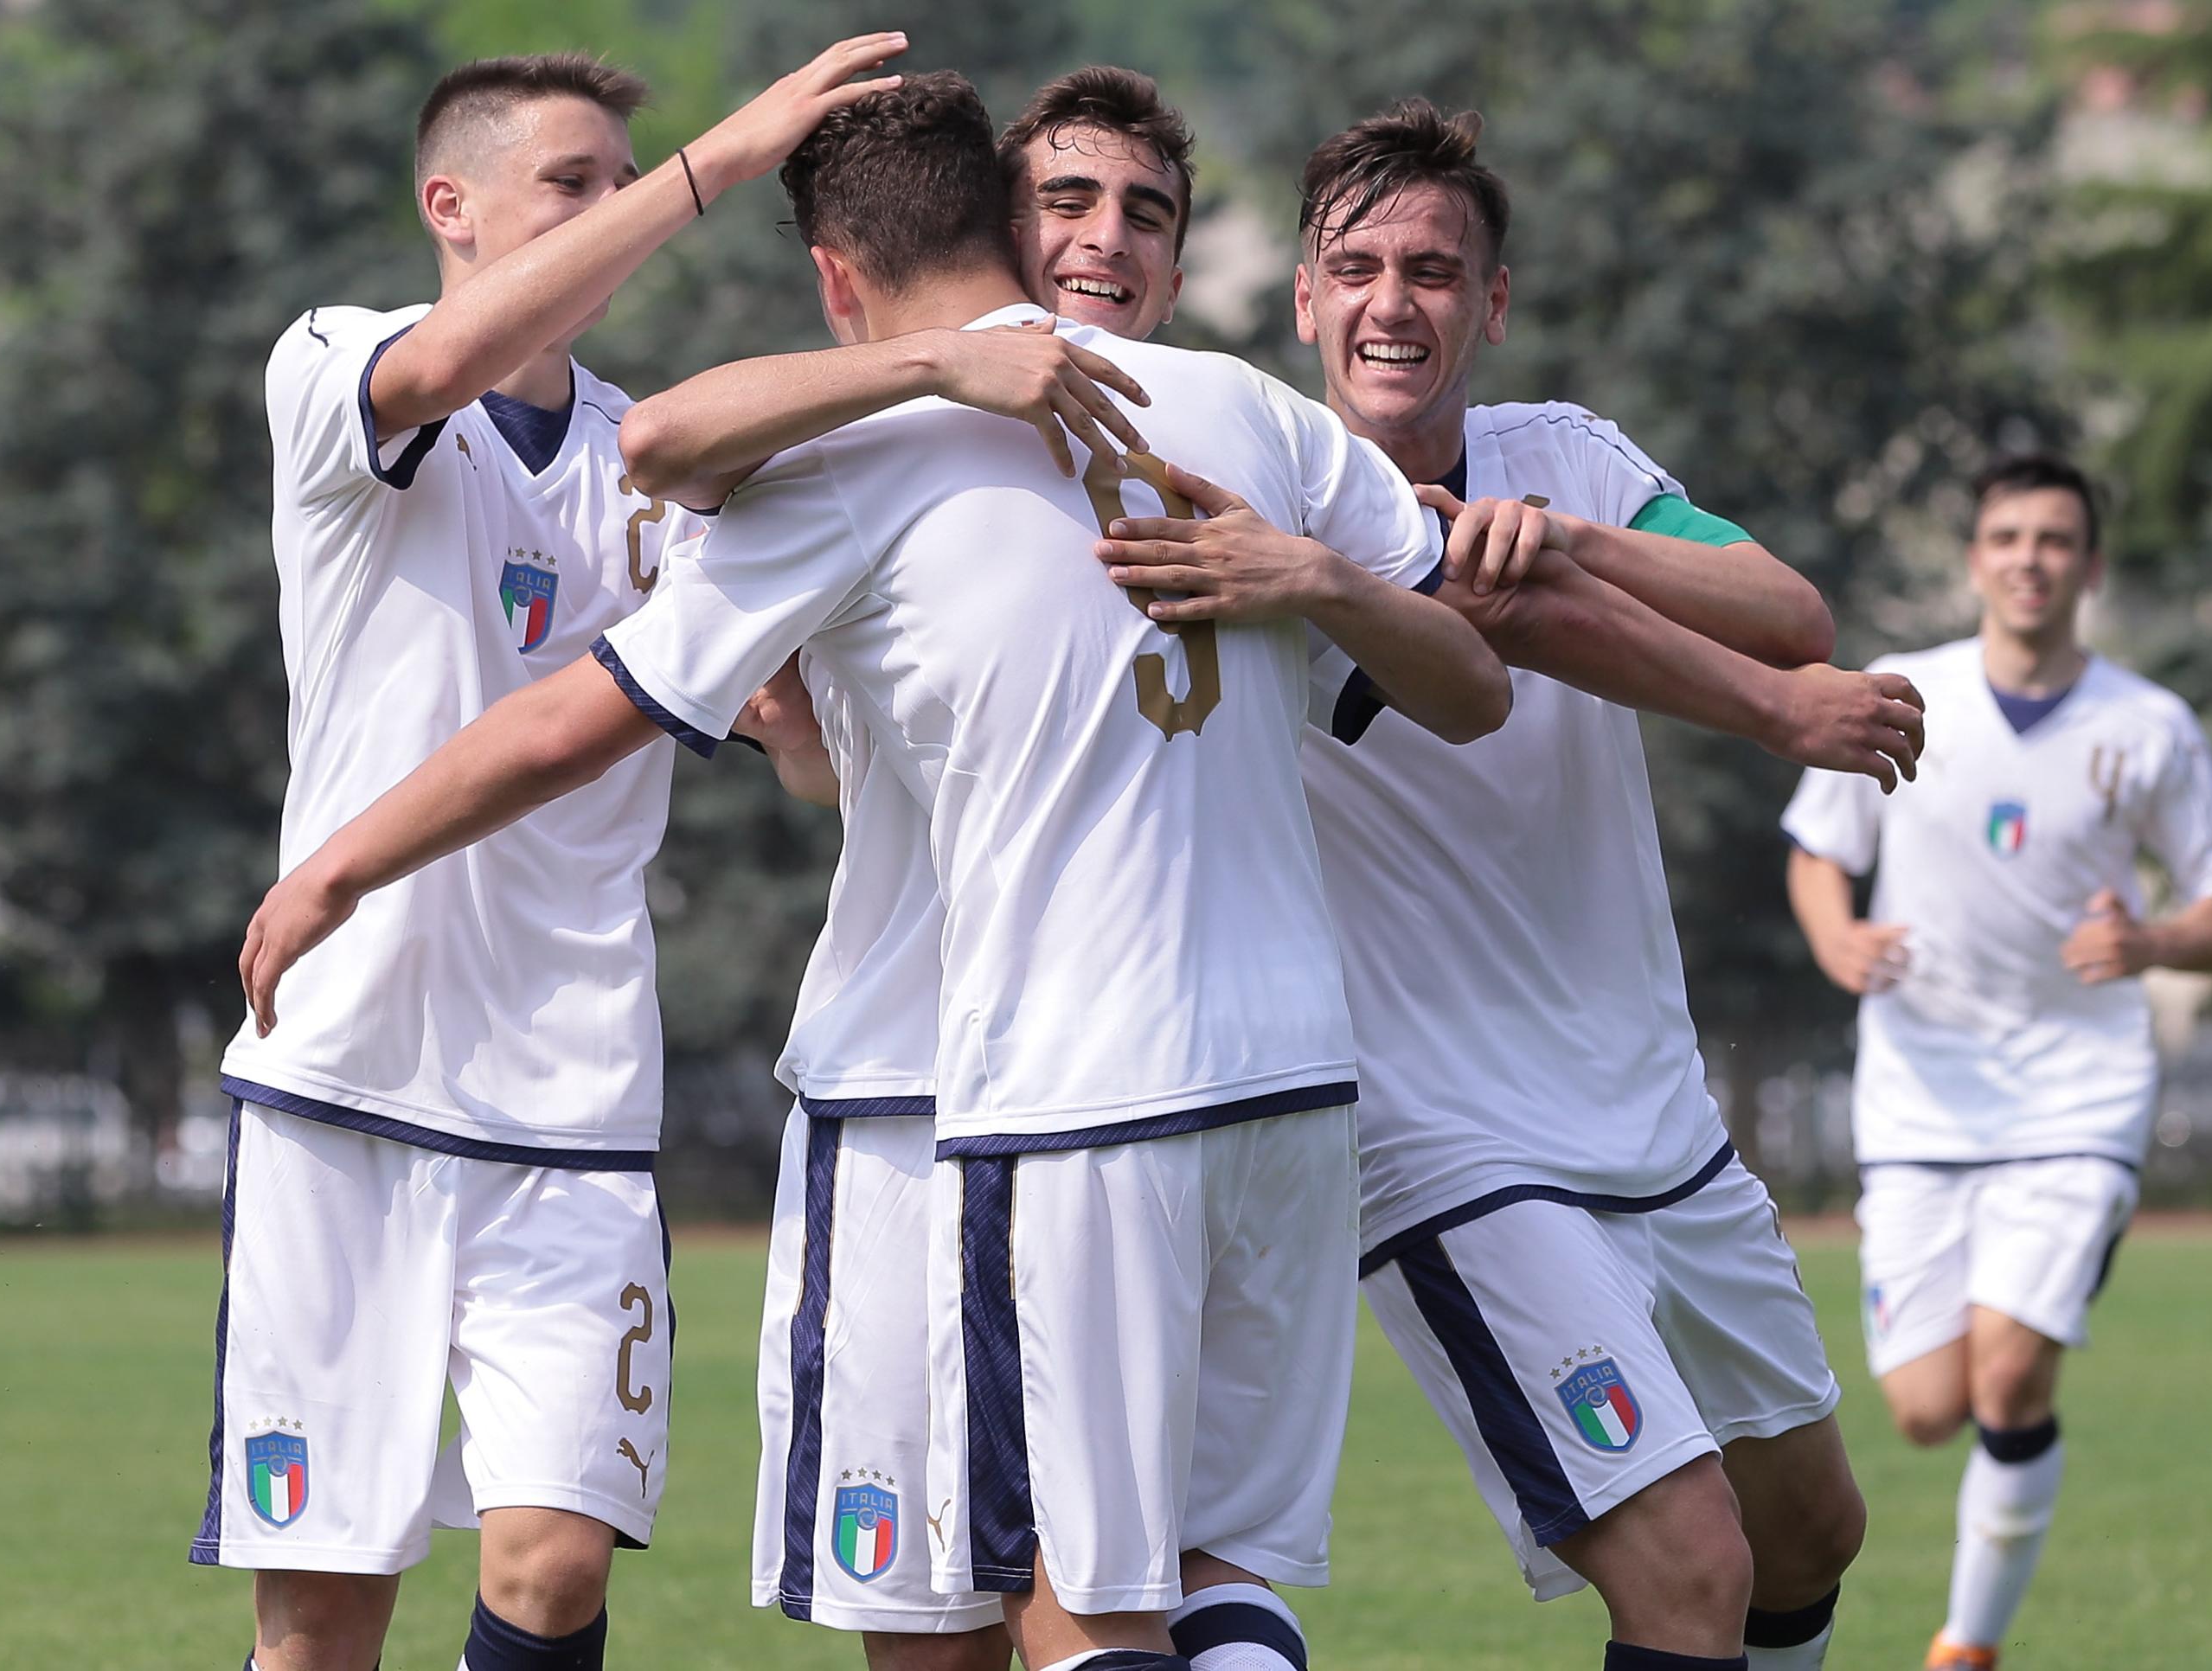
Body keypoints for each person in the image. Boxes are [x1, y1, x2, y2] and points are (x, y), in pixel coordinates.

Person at [234, 69, 1511, 1671]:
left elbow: (604, 679)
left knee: (1044, 1607)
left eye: (1141, 211)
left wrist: (338, 863)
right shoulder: (1247, 411)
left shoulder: (846, 453)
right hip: (1270, 1079)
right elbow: (1474, 684)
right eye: (581, 186)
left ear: (834, 275)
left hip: (1019, 1093)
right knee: (1207, 1579)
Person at [1104, 99, 1896, 1671]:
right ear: (1304, 300)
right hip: (1439, 1136)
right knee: (1687, 1571)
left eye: (1434, 270)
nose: (1394, 303)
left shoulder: (1569, 453)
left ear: (1491, 302)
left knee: (1813, 1531)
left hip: (1648, 1106)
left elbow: (1783, 604)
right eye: (1358, 267)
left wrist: (1575, 541)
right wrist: (1768, 709)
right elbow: (1505, 634)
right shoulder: (1261, 471)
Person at [195, 36, 909, 1671]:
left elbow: (794, 765)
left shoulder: (650, 465)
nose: (611, 215)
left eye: (618, 180)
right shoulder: (337, 364)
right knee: (319, 1622)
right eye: (568, 185)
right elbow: (450, 360)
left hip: (570, 1093)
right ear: (448, 205)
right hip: (344, 1078)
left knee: (554, 1565)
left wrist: (807, 721)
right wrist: (714, 165)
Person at [1781, 453, 2212, 1671]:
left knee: (2005, 1383)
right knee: (1927, 1411)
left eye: (2054, 540)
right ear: (1973, 560)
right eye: (2006, 537)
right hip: (1917, 1094)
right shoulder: (1902, 692)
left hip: (2076, 1091)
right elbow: (1816, 850)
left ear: (2088, 568)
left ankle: (1966, 1647)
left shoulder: (2148, 728)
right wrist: (1837, 937)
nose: (2029, 559)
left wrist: (2148, 938)